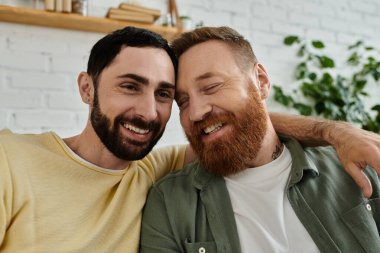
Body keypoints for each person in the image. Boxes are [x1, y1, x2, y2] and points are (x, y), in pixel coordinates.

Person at [0, 26, 378, 253]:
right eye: (130, 86)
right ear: (87, 87)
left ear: (261, 81)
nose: (148, 112)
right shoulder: (11, 159)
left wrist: (336, 132)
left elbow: (244, 126)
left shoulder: (152, 170)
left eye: (165, 95)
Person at [140, 26, 380, 253]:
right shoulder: (168, 202)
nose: (195, 112)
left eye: (211, 86)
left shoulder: (354, 165)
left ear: (261, 82)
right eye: (182, 102)